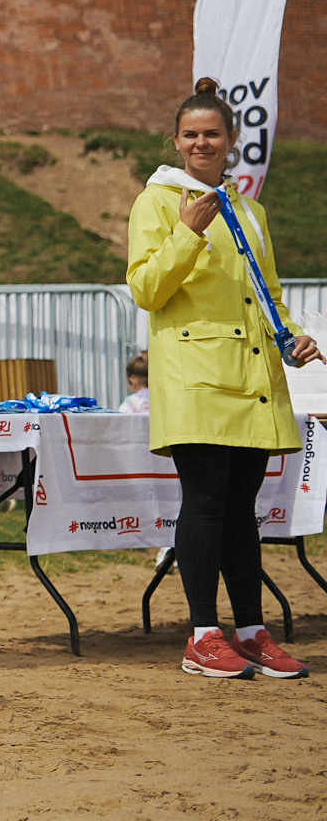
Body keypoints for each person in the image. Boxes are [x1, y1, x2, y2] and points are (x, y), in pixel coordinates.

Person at [129, 77, 320, 681]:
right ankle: (202, 633)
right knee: (205, 502)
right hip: (196, 378)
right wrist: (187, 231)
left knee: (244, 509)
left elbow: (266, 294)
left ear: (233, 140)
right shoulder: (157, 201)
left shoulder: (252, 210)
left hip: (256, 378)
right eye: (191, 135)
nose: (201, 143)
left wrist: (291, 336)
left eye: (212, 134)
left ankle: (253, 631)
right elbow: (146, 289)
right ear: (176, 141)